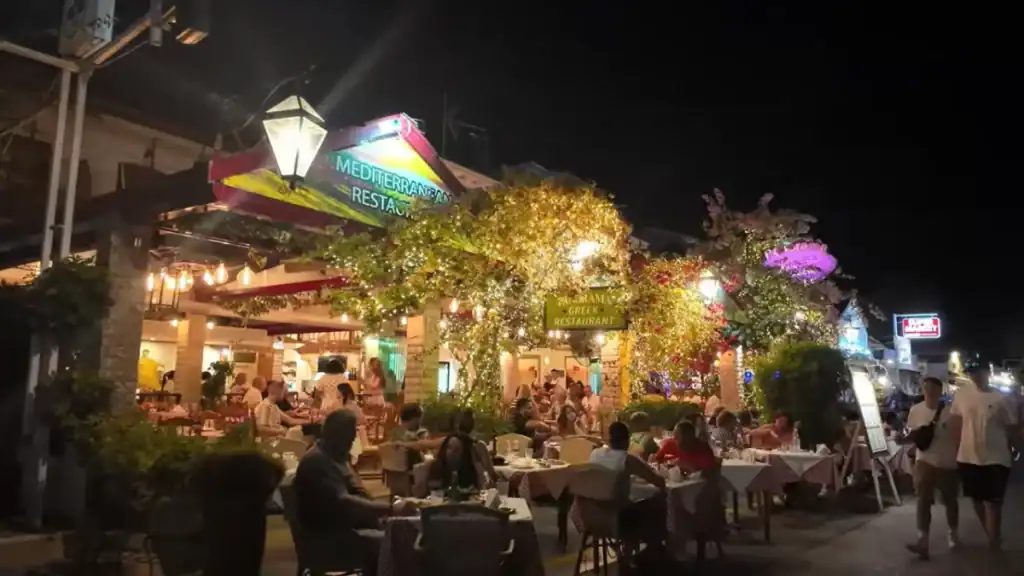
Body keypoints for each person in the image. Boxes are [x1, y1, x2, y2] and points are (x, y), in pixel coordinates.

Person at [293, 410, 415, 576]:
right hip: (326, 539)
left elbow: (357, 493)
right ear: (336, 434)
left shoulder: (335, 456)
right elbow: (344, 501)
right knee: (396, 546)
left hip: (343, 528)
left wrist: (380, 514)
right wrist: (390, 508)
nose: (353, 439)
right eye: (350, 434)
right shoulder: (317, 461)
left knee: (400, 535)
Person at [950, 356, 1019, 552]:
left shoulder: (1001, 398)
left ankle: (994, 539)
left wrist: (1017, 448)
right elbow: (957, 423)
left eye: (979, 372)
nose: (975, 376)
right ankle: (991, 534)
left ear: (987, 373)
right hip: (968, 456)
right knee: (976, 499)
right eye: (971, 373)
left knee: (993, 502)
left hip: (996, 456)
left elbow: (1011, 427)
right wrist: (955, 450)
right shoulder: (961, 395)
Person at [903, 376, 960, 559]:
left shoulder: (951, 413)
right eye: (926, 388)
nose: (929, 391)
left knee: (950, 500)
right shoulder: (915, 410)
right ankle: (923, 540)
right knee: (923, 501)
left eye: (933, 388)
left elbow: (959, 437)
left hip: (947, 463)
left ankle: (953, 533)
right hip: (924, 462)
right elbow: (912, 434)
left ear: (940, 391)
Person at [387, 403, 442, 470]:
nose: (421, 420)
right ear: (415, 419)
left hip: (397, 467)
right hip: (412, 466)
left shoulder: (396, 432)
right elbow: (424, 448)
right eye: (420, 417)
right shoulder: (419, 432)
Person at [452, 408, 497, 486]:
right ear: (473, 425)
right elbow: (491, 473)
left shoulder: (447, 444)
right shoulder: (478, 446)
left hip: (452, 491)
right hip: (476, 490)